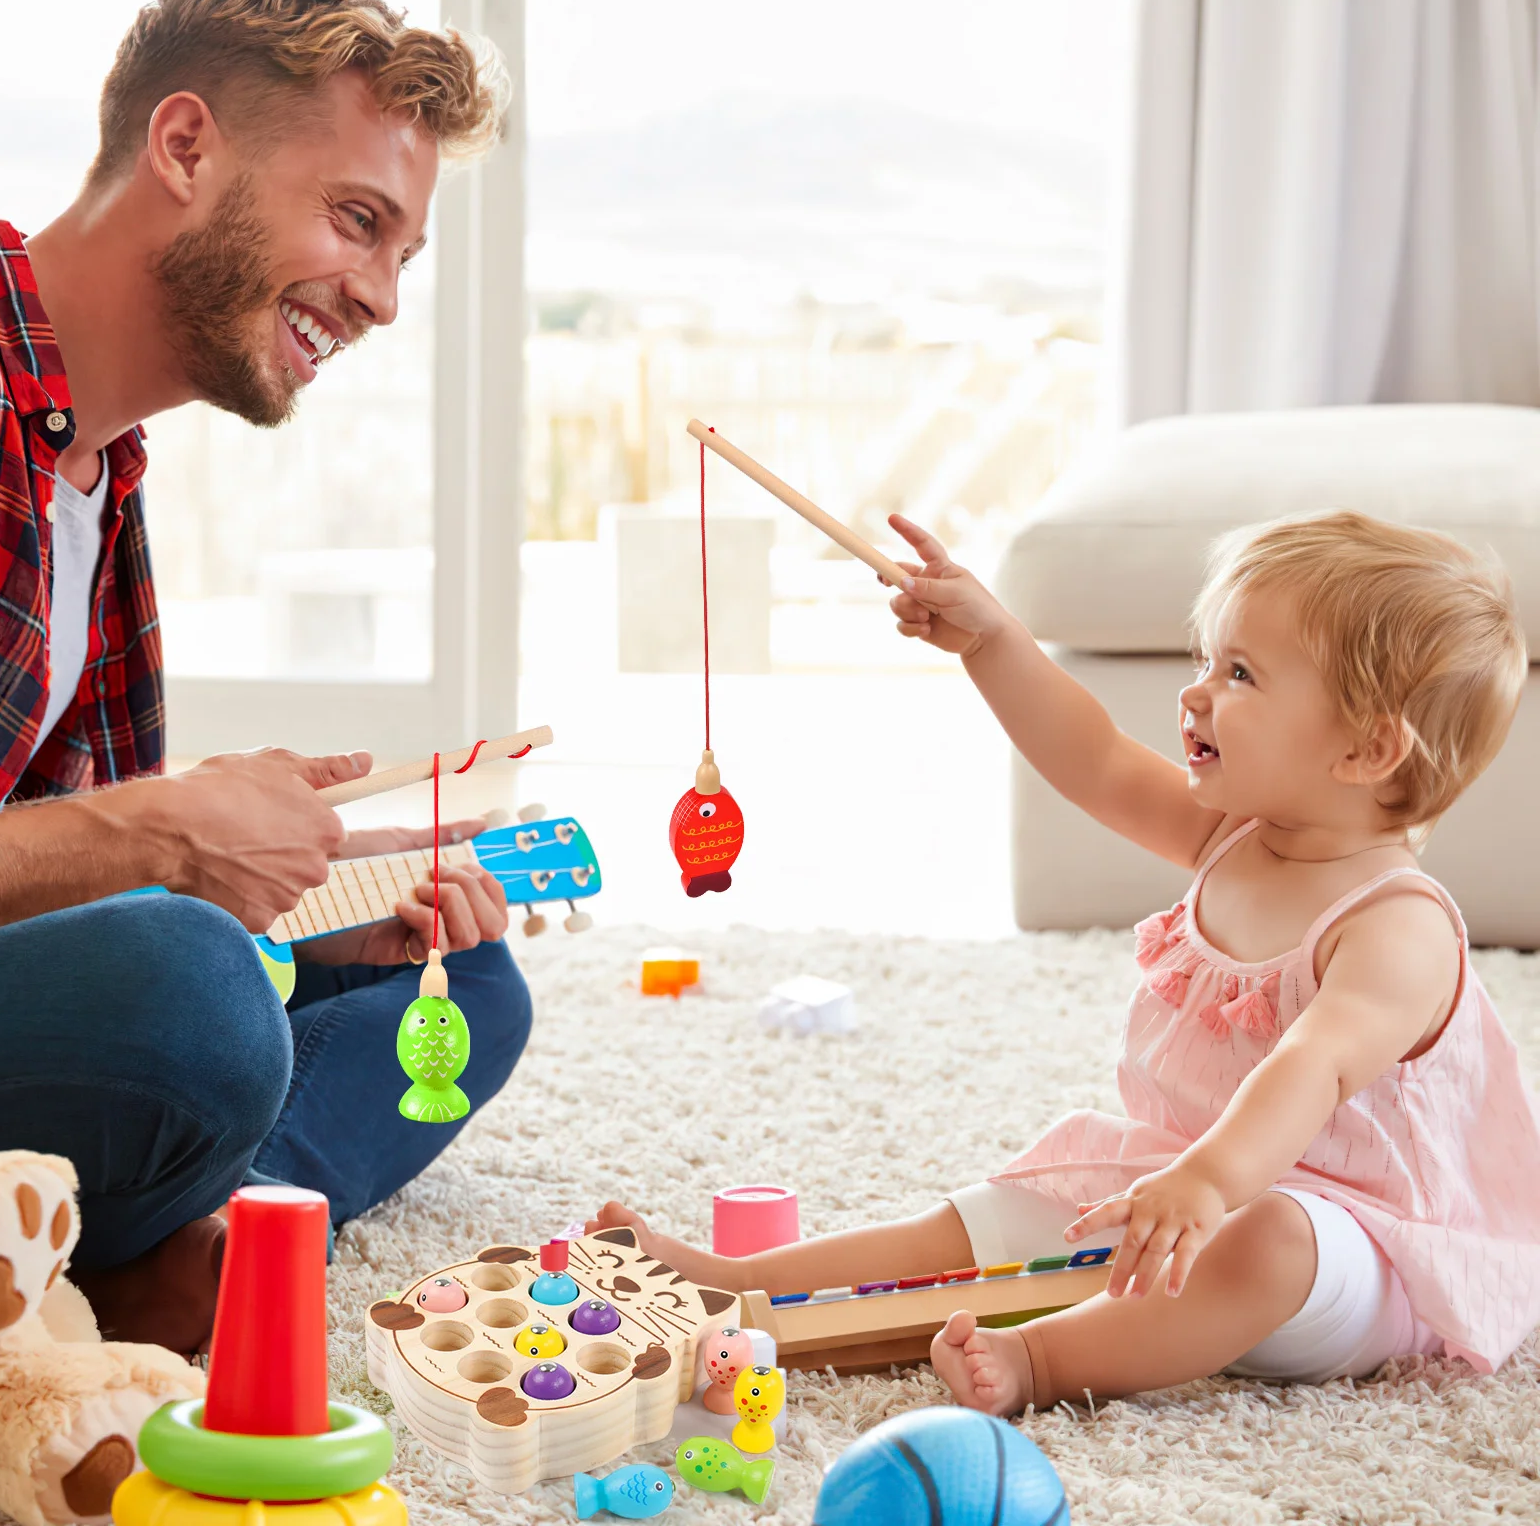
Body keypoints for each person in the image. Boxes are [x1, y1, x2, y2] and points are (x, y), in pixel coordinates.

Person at [592, 509, 1540, 1412]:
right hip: (1182, 1183)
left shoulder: (1396, 927)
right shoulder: (1232, 835)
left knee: (1272, 1239)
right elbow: (1093, 758)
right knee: (1021, 1204)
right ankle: (739, 1283)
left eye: (1242, 674)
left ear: (1368, 750)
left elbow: (1313, 1063)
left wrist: (1212, 1183)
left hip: (1361, 1251)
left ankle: (1044, 1359)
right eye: (1207, 660)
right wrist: (991, 639)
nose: (1196, 691)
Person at [0, 0, 531, 1357]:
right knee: (194, 992)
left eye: (404, 253)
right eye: (357, 221)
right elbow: (111, 885)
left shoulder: (95, 468)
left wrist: (293, 874)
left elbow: (37, 866)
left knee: (460, 984)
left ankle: (175, 1253)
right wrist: (161, 839)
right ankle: (142, 1259)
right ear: (187, 147)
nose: (382, 298)